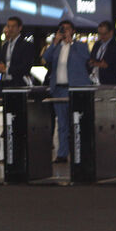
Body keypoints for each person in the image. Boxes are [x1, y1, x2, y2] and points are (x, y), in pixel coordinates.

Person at [42, 20, 90, 163]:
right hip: (59, 89)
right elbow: (45, 59)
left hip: (75, 89)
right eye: (62, 29)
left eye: (67, 29)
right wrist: (55, 43)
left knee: (76, 122)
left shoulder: (80, 46)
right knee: (62, 123)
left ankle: (79, 152)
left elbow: (85, 59)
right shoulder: (57, 47)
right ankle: (62, 154)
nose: (64, 31)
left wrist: (71, 43)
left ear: (73, 31)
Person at [0, 16, 34, 88]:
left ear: (20, 28)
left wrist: (7, 69)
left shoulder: (26, 45)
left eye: (13, 26)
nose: (10, 29)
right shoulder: (5, 45)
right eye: (8, 26)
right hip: (5, 82)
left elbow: (26, 67)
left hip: (19, 83)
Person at [88, 20, 116, 95]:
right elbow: (91, 59)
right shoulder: (97, 45)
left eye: (104, 34)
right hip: (95, 82)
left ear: (111, 33)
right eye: (100, 34)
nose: (102, 36)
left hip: (110, 84)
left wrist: (107, 66)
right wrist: (91, 63)